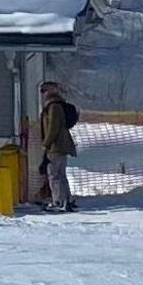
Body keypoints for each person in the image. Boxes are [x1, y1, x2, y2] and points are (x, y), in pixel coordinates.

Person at [39, 81, 79, 212]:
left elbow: (53, 127)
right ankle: (67, 200)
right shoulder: (58, 105)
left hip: (56, 145)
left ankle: (58, 201)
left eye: (44, 90)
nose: (43, 94)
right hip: (62, 145)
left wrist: (46, 143)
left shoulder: (53, 107)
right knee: (61, 174)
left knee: (54, 174)